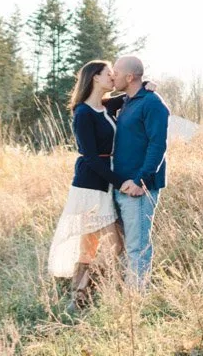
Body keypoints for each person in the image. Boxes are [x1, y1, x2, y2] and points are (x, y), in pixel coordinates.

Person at [45, 60, 125, 305]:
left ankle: (79, 296)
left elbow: (128, 95)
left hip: (103, 182)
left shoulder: (105, 107)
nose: (113, 77)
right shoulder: (83, 113)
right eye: (109, 74)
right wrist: (120, 182)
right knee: (114, 245)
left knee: (91, 245)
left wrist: (145, 83)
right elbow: (89, 156)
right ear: (95, 78)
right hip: (90, 185)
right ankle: (81, 294)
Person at [105, 54, 168, 288]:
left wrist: (141, 180)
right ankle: (126, 295)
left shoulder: (152, 103)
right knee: (124, 246)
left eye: (117, 73)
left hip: (139, 188)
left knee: (137, 246)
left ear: (130, 76)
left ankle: (137, 303)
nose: (113, 76)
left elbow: (158, 145)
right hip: (121, 184)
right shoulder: (127, 101)